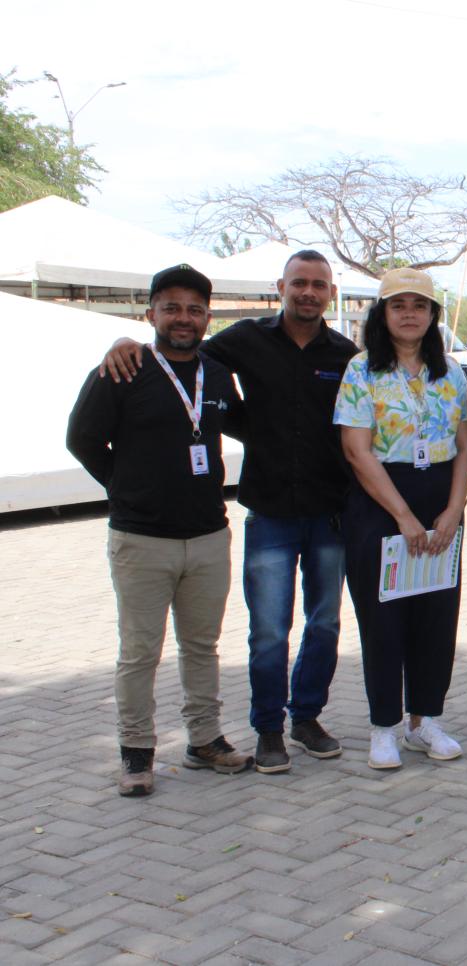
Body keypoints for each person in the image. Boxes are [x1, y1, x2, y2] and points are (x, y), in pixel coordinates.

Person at [102, 251, 357, 774]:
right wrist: (124, 343)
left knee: (325, 624)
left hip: (330, 512)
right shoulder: (244, 340)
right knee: (268, 630)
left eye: (319, 285)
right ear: (280, 287)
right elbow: (181, 354)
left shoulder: (345, 353)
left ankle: (306, 717)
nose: (308, 292)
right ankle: (268, 729)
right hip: (269, 511)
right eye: (299, 283)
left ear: (330, 293)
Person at [68, 265, 253, 795]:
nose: (183, 318)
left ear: (207, 318)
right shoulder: (122, 368)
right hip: (141, 538)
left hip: (208, 535)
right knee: (139, 650)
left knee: (202, 646)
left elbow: (240, 423)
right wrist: (124, 488)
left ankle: (204, 739)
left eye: (194, 309)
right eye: (171, 307)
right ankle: (136, 752)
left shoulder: (215, 375)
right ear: (150, 313)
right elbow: (81, 439)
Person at [334, 268, 467, 770]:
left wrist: (454, 509)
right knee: (384, 619)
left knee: (437, 615)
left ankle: (425, 721)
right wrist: (403, 516)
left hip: (440, 499)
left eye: (420, 305)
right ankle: (383, 727)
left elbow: (465, 442)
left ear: (434, 314)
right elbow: (357, 450)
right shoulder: (361, 371)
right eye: (399, 305)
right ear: (383, 314)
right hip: (381, 505)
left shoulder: (451, 372)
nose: (410, 313)